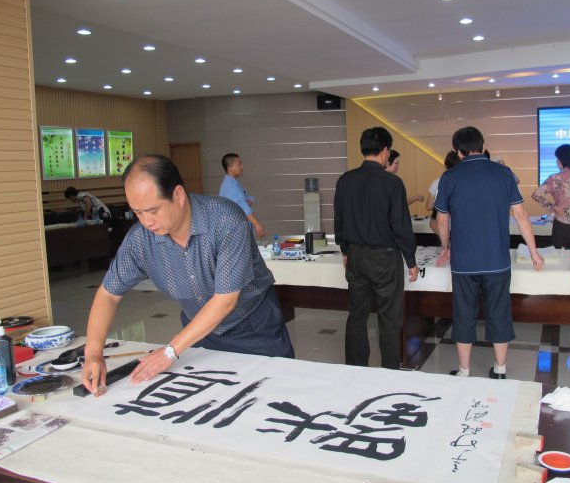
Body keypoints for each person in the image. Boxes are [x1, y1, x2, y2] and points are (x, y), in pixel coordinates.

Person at [82, 154, 294, 396]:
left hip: (253, 325)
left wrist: (170, 351)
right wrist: (93, 353)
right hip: (198, 334)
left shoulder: (225, 220)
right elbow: (108, 294)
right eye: (138, 213)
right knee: (211, 401)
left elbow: (225, 300)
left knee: (271, 393)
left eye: (153, 211)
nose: (147, 222)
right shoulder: (140, 239)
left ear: (178, 195)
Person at [434, 126, 544, 379]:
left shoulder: (449, 177)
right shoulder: (504, 174)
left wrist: (445, 247)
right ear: (483, 147)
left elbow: (442, 219)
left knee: (464, 313)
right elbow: (521, 215)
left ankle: (464, 370)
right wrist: (534, 252)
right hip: (497, 260)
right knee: (499, 311)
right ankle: (500, 369)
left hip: (464, 262)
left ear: (458, 152)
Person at [334, 128, 419, 370]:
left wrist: (345, 250)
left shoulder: (345, 180)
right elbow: (401, 226)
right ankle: (389, 371)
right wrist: (411, 261)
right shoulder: (392, 183)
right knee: (389, 318)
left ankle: (355, 368)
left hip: (355, 256)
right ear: (385, 151)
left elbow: (339, 219)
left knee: (357, 315)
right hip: (385, 258)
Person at [218, 153, 265, 238]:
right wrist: (256, 224)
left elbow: (246, 200)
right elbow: (243, 207)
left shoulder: (234, 184)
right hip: (234, 232)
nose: (242, 166)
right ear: (230, 167)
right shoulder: (230, 186)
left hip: (239, 229)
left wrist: (247, 201)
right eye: (239, 164)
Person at [428, 150, 460, 235]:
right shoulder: (464, 183)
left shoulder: (437, 182)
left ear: (446, 165)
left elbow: (429, 206)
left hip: (443, 230)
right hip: (460, 232)